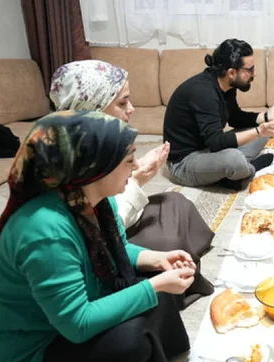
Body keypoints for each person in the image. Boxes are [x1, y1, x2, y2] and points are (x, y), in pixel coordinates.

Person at [0, 111, 197, 362]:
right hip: (36, 354)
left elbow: (117, 250)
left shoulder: (93, 200)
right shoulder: (44, 230)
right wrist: (155, 285)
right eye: (128, 159)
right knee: (132, 336)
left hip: (66, 324)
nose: (136, 166)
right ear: (95, 167)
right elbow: (78, 323)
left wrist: (158, 259)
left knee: (156, 292)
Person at [50, 60, 215, 309]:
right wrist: (136, 179)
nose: (132, 109)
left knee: (175, 201)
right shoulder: (59, 178)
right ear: (92, 108)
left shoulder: (100, 152)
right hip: (95, 258)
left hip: (112, 234)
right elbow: (77, 318)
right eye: (122, 103)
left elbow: (109, 217)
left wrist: (136, 174)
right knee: (169, 241)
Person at [164, 39, 274, 190]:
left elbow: (235, 118)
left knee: (261, 134)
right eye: (249, 70)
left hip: (208, 150)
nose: (254, 74)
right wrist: (258, 131)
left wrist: (266, 117)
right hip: (183, 163)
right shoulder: (204, 92)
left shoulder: (227, 85)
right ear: (231, 73)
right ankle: (248, 170)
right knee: (234, 159)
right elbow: (216, 142)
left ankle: (232, 173)